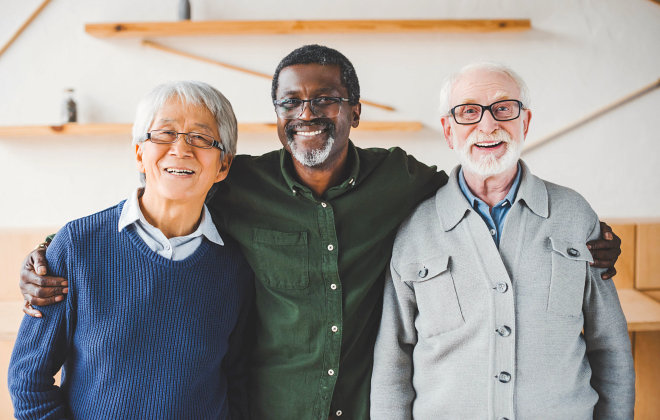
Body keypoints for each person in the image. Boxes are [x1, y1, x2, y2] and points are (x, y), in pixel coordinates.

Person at [18, 46, 622, 420]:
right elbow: (163, 191)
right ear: (276, 117)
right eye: (290, 103)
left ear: (354, 111)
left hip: (363, 409)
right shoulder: (235, 186)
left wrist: (585, 234)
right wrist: (48, 256)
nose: (307, 113)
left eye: (326, 99)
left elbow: (480, 184)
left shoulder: (403, 179)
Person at [370, 63, 634, 419]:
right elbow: (392, 361)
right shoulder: (415, 228)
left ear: (524, 122)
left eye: (503, 108)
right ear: (449, 131)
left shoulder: (575, 214)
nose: (488, 124)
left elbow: (611, 346)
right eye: (468, 111)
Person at [9, 81, 253, 419]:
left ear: (223, 165)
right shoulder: (77, 245)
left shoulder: (236, 266)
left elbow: (239, 381)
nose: (181, 149)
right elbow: (28, 381)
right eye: (164, 134)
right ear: (139, 153)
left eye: (200, 137)